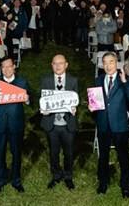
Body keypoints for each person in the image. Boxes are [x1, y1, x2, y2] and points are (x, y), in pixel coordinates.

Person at [94, 52, 129, 199]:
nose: (108, 65)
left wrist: (125, 82)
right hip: (103, 124)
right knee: (103, 156)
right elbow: (95, 101)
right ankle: (103, 183)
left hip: (119, 125)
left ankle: (126, 186)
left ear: (116, 63)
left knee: (123, 156)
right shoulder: (98, 80)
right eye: (105, 62)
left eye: (111, 62)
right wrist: (93, 108)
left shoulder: (124, 79)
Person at [0, 56, 31, 193]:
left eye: (9, 66)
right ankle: (0, 180)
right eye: (3, 67)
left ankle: (16, 180)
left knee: (16, 152)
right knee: (0, 152)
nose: (6, 69)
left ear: (14, 67)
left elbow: (31, 99)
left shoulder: (22, 82)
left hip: (16, 124)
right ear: (1, 68)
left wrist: (27, 100)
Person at [39, 54, 78, 190]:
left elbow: (75, 100)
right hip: (52, 124)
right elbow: (43, 100)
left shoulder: (73, 81)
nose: (58, 66)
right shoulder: (46, 80)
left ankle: (68, 176)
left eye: (60, 63)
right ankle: (56, 175)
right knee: (53, 152)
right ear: (52, 65)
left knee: (69, 153)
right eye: (55, 63)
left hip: (68, 124)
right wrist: (43, 109)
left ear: (66, 65)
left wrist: (74, 108)